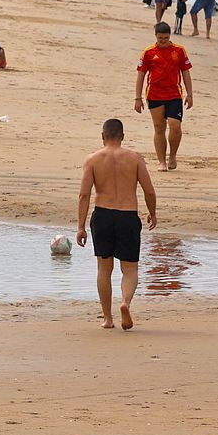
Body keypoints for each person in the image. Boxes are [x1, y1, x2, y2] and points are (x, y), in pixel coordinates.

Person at [77, 118, 158, 331]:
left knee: (104, 268)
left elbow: (84, 195)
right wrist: (152, 213)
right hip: (127, 216)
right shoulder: (135, 159)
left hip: (103, 215)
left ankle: (107, 318)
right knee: (129, 268)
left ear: (103, 137)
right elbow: (149, 190)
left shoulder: (93, 159)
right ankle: (125, 303)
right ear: (122, 137)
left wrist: (80, 226)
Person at [135, 22, 194, 171]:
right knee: (159, 128)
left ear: (169, 36)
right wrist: (138, 98)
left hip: (174, 94)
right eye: (160, 38)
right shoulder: (148, 52)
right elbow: (141, 75)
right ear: (156, 36)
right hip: (154, 94)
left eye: (166, 38)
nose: (163, 41)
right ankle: (161, 161)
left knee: (175, 126)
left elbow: (185, 72)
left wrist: (190, 94)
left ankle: (172, 155)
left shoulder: (179, 50)